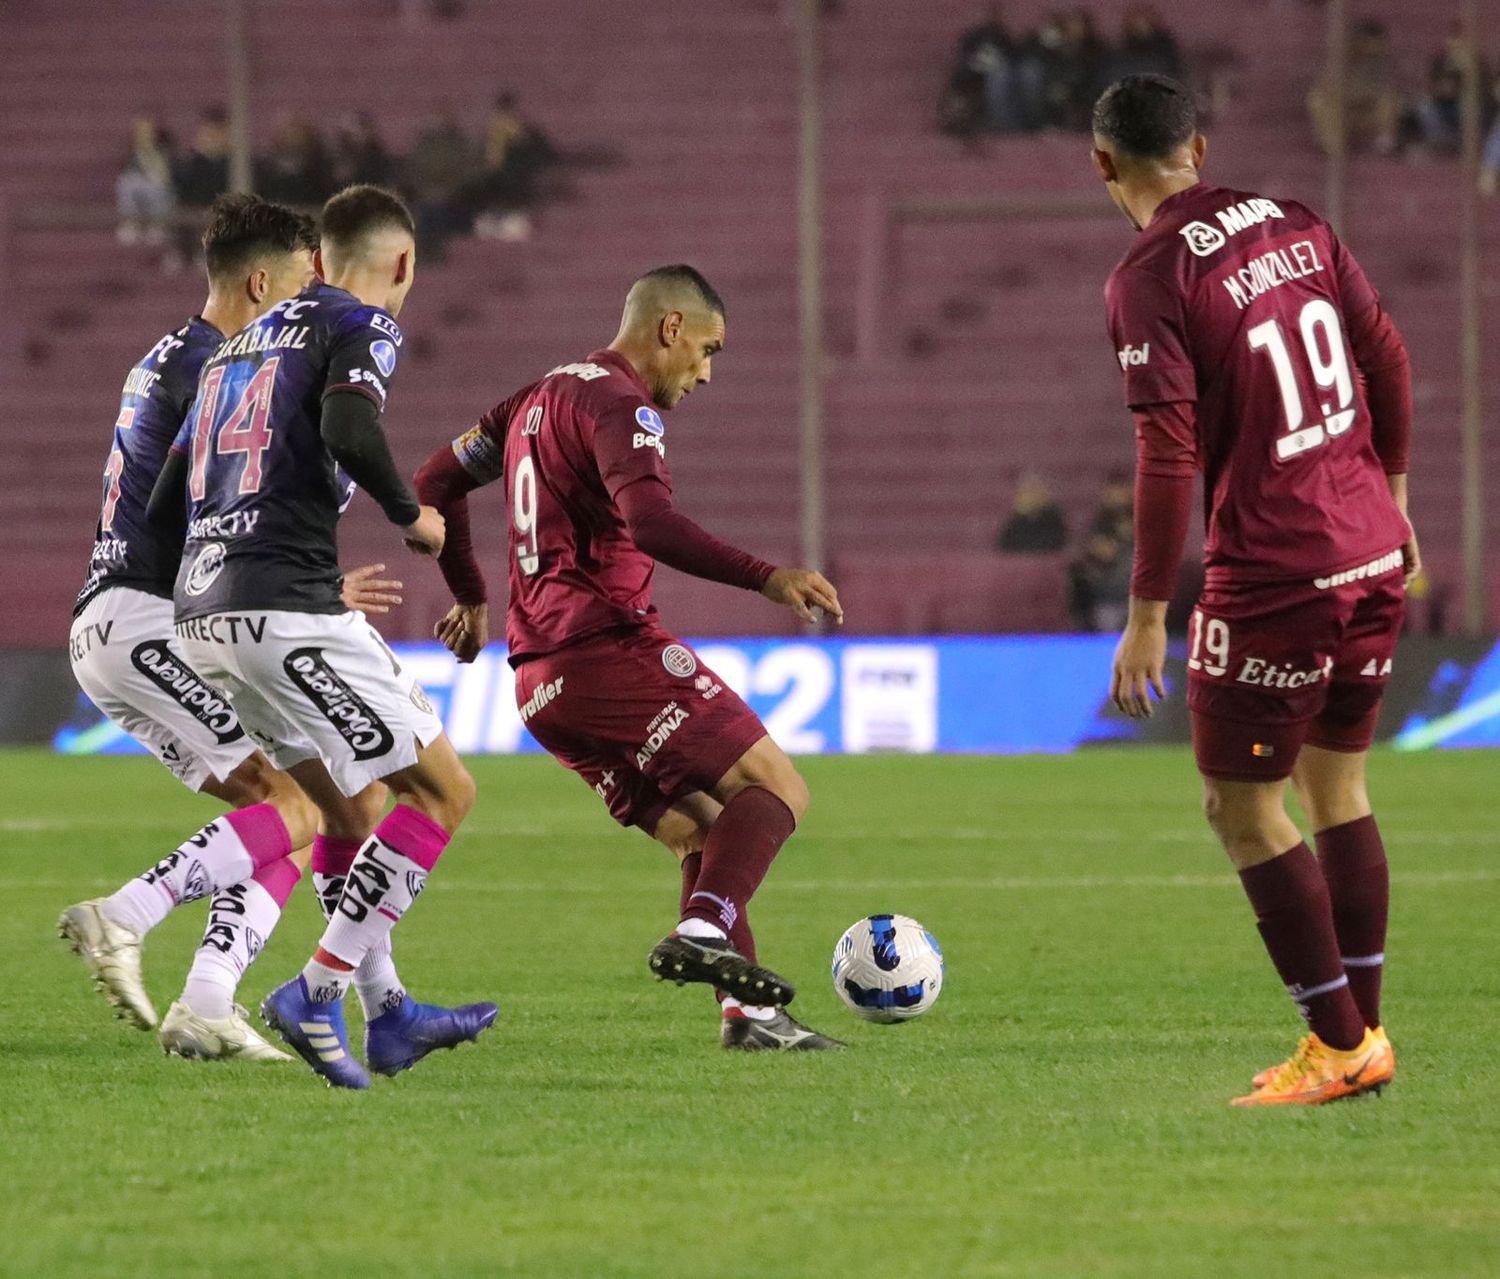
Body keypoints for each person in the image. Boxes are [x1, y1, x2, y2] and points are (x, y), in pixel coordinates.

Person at [414, 265, 847, 1052]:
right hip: (606, 648)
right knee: (778, 787)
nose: (707, 372)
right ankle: (706, 928)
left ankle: (749, 1018)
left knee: (702, 833)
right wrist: (768, 576)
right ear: (670, 327)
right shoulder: (621, 404)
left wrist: (474, 597)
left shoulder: (533, 400)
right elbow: (651, 525)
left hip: (540, 685)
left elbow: (434, 480)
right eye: (707, 349)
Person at [1093, 75, 1416, 1106]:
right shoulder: (1298, 221)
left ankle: (1336, 1041)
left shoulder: (1149, 275)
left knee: (1240, 806)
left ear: (1104, 165)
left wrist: (1148, 613)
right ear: (1200, 143)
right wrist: (1397, 498)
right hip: (1369, 547)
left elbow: (1167, 452)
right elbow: (1389, 358)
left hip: (1279, 569)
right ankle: (1360, 1035)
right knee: (1338, 791)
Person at [144, 185, 496, 1089]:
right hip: (287, 611)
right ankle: (315, 988)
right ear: (404, 263)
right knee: (440, 793)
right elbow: (349, 422)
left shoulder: (233, 348)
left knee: (351, 810)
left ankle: (390, 1018)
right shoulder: (362, 323)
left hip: (202, 616)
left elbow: (163, 495)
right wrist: (414, 517)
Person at [61, 194, 405, 1063]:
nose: (301, 304)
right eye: (294, 285)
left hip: (125, 621)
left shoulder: (168, 357)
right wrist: (305, 585)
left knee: (299, 802)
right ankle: (124, 914)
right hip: (154, 614)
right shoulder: (224, 362)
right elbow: (204, 509)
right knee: (303, 799)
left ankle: (209, 999)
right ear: (260, 282)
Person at [116, 115, 177, 248]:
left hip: (161, 186)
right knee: (126, 182)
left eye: (148, 130)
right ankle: (131, 222)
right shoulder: (133, 151)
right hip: (140, 185)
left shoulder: (165, 148)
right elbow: (130, 171)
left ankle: (158, 225)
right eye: (142, 131)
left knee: (158, 186)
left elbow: (167, 172)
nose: (145, 134)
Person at [995, 470, 1067, 552]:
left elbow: (1056, 543)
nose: (1030, 495)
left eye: (1034, 490)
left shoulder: (1054, 520)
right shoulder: (1015, 523)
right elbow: (1005, 545)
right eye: (1026, 491)